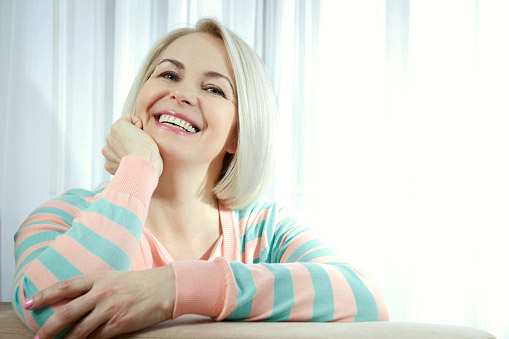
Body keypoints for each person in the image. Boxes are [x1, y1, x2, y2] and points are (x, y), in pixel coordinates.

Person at [12, 18, 389, 338]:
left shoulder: (267, 228)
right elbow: (48, 312)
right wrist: (139, 167)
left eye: (213, 88)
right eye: (169, 74)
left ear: (238, 136)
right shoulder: (61, 216)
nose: (181, 94)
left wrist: (173, 287)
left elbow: (365, 299)